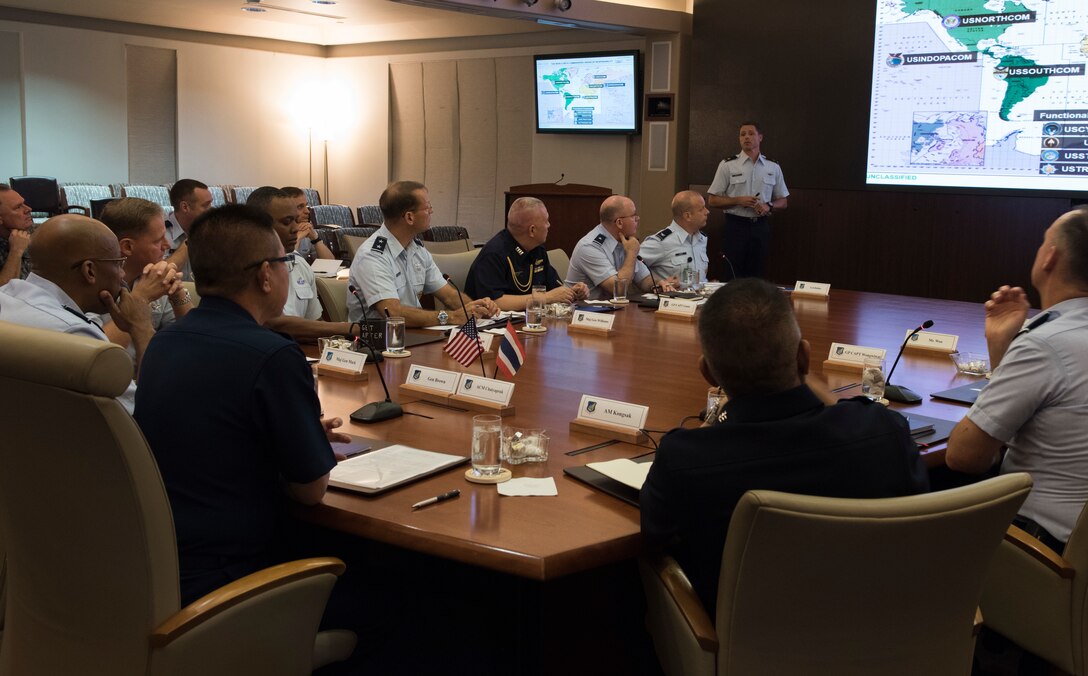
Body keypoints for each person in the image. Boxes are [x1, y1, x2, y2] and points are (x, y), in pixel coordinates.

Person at [640, 278, 929, 612]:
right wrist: (802, 376)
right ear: (804, 357)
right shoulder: (883, 431)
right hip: (891, 636)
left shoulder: (685, 461)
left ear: (707, 373)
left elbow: (654, 537)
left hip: (751, 653)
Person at [133, 204, 347, 605]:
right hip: (236, 580)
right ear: (266, 275)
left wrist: (293, 432)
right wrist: (303, 445)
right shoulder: (272, 355)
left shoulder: (165, 342)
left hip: (162, 566)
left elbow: (210, 435)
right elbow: (310, 491)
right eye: (285, 262)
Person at [946, 208, 1088, 552]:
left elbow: (964, 457)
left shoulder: (1046, 342)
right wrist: (1002, 348)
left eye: (1043, 242)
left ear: (1049, 257)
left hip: (1045, 552)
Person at [0, 214, 153, 413]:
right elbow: (147, 412)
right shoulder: (76, 335)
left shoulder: (6, 295)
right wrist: (141, 327)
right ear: (89, 271)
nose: (122, 275)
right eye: (118, 263)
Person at [348, 180, 498, 326]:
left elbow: (449, 296)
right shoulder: (373, 256)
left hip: (415, 336)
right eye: (427, 208)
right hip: (380, 344)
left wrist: (478, 309)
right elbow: (392, 312)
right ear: (409, 217)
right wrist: (451, 317)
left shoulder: (417, 249)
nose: (431, 211)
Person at [246, 186, 361, 342]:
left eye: (295, 220)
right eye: (287, 222)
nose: (295, 228)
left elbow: (315, 322)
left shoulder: (299, 263)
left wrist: (340, 344)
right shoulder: (245, 268)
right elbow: (273, 324)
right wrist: (349, 329)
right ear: (260, 224)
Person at [97, 197, 192, 356]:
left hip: (151, 370)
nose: (167, 245)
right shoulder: (95, 286)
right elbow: (98, 354)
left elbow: (192, 338)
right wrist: (141, 299)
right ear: (127, 246)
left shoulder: (152, 277)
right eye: (157, 240)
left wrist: (178, 294)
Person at [465, 197, 588, 310]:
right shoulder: (494, 255)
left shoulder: (537, 249)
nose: (549, 225)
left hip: (531, 320)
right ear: (532, 230)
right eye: (546, 221)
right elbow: (495, 301)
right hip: (497, 327)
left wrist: (573, 292)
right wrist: (546, 298)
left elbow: (554, 289)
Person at [706, 121, 789, 279]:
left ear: (760, 137)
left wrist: (768, 206)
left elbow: (783, 201)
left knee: (757, 273)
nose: (746, 137)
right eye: (742, 134)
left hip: (760, 226)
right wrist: (738, 200)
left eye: (751, 133)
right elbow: (713, 200)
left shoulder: (772, 167)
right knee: (732, 272)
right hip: (735, 225)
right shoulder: (727, 165)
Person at [565, 195, 671, 300]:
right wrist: (631, 253)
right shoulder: (590, 247)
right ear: (619, 222)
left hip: (610, 310)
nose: (637, 219)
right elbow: (619, 289)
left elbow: (644, 280)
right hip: (585, 312)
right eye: (634, 216)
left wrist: (657, 285)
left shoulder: (624, 240)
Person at [638, 190, 710, 289]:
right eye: (702, 209)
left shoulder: (702, 239)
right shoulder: (662, 242)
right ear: (687, 216)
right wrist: (656, 282)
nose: (707, 212)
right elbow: (634, 263)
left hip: (699, 299)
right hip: (673, 301)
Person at [164, 178, 214, 280]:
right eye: (205, 205)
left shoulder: (213, 229)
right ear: (185, 207)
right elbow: (159, 276)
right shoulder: (161, 233)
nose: (211, 210)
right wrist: (192, 239)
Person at [281, 186, 335, 261]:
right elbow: (287, 265)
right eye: (300, 207)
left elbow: (331, 263)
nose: (307, 211)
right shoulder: (277, 233)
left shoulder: (306, 229)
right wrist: (298, 238)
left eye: (306, 206)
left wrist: (315, 239)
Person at [0, 184, 34, 285]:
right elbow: (3, 296)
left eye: (24, 203)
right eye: (18, 207)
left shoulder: (32, 231)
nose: (29, 209)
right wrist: (16, 251)